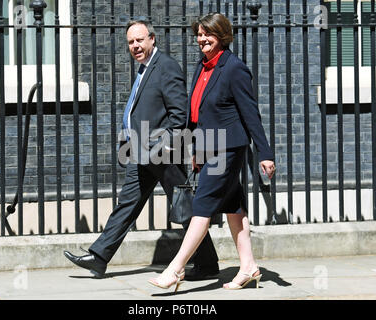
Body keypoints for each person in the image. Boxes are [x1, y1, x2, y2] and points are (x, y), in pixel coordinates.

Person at [64, 20, 219, 279]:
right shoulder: (145, 68)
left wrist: (163, 147)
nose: (135, 46)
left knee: (184, 207)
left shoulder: (166, 67)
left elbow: (179, 115)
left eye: (139, 40)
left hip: (163, 153)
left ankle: (208, 264)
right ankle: (100, 257)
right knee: (128, 204)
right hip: (143, 152)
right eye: (131, 42)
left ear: (152, 39)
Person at [148, 13, 276, 292]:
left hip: (228, 147)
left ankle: (176, 268)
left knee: (202, 205)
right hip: (209, 145)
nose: (202, 39)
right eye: (199, 34)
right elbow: (197, 112)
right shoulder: (203, 66)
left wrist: (265, 153)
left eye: (208, 34)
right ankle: (249, 266)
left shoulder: (234, 69)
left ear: (222, 37)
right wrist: (196, 148)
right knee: (233, 205)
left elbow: (250, 114)